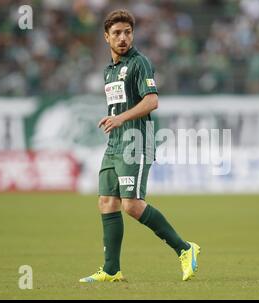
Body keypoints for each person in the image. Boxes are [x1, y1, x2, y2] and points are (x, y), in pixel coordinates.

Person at [79, 9, 200, 283]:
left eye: (127, 32)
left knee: (131, 205)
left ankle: (185, 248)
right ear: (106, 37)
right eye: (117, 33)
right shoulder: (109, 71)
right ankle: (111, 269)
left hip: (136, 141)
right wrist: (115, 121)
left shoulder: (139, 62)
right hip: (115, 143)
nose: (123, 38)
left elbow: (152, 101)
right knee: (106, 201)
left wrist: (119, 118)